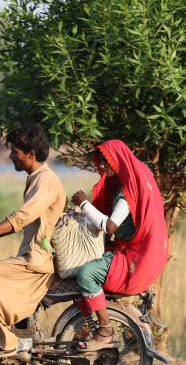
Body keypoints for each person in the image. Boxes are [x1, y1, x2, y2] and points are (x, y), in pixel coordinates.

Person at [0, 123, 67, 362]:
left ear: (30, 154)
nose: (11, 156)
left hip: (37, 261)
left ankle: (6, 342)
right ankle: (20, 339)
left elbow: (21, 218)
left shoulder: (45, 181)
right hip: (32, 257)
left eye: (15, 152)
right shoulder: (38, 178)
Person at [70, 139, 168, 349]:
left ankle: (105, 330)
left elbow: (111, 226)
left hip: (133, 260)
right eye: (100, 162)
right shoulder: (126, 186)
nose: (102, 167)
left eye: (106, 161)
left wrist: (84, 203)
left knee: (85, 274)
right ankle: (85, 330)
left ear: (118, 161)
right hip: (129, 252)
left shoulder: (127, 193)